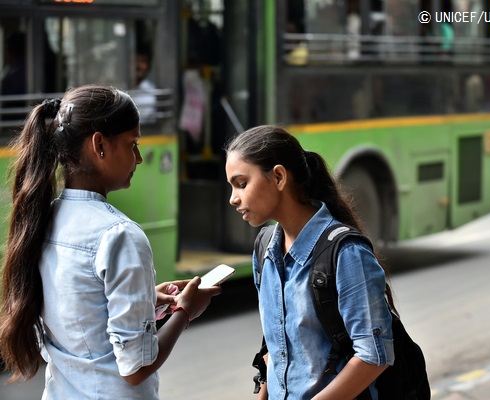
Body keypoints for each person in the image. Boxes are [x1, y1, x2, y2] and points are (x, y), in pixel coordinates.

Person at [0, 84, 221, 399]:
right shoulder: (120, 236)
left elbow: (77, 313)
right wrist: (186, 311)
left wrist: (145, 298)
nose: (140, 158)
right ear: (99, 145)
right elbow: (135, 369)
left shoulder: (43, 219)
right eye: (132, 144)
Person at [224, 125, 395, 400]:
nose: (233, 198)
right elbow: (276, 349)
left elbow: (374, 355)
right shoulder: (265, 249)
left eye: (241, 183)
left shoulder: (346, 253)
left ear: (278, 176)